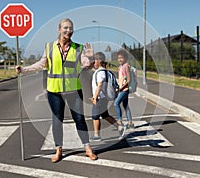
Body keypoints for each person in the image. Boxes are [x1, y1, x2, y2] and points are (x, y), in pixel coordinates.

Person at [16, 18, 97, 163]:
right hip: (54, 91)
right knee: (57, 121)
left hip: (73, 90)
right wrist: (24, 69)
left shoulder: (78, 48)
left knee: (79, 119)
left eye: (71, 28)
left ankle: (87, 148)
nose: (68, 31)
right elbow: (41, 64)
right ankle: (58, 149)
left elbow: (87, 65)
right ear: (59, 29)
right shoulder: (49, 47)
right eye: (65, 28)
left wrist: (90, 58)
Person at [91, 52, 126, 141]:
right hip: (104, 97)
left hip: (100, 97)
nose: (93, 62)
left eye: (95, 60)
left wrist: (95, 97)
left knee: (95, 116)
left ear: (99, 61)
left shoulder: (100, 73)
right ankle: (119, 127)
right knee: (105, 115)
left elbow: (99, 85)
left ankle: (96, 135)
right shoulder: (107, 72)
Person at [114, 49, 134, 129]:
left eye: (121, 57)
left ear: (125, 58)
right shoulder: (120, 67)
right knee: (125, 105)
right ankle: (130, 122)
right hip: (122, 88)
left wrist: (121, 88)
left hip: (125, 89)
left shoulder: (126, 67)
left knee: (116, 103)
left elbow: (129, 80)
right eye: (118, 58)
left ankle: (120, 121)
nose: (120, 59)